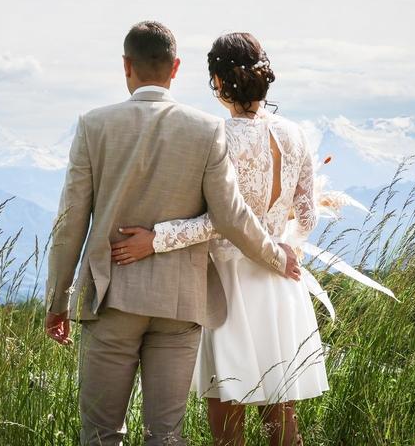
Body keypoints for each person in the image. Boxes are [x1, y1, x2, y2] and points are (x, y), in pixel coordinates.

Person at [44, 21, 301, 446]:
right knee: (165, 436)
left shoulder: (93, 125)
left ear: (126, 66)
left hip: (111, 301)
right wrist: (278, 256)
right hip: (180, 305)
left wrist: (58, 300)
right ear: (176, 68)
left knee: (102, 434)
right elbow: (232, 217)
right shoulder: (206, 130)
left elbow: (70, 221)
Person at [112, 32, 328, 446]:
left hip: (229, 285)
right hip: (280, 283)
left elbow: (219, 223)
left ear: (217, 82)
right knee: (281, 414)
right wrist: (284, 245)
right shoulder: (295, 134)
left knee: (227, 411)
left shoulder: (218, 136)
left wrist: (155, 239)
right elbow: (307, 216)